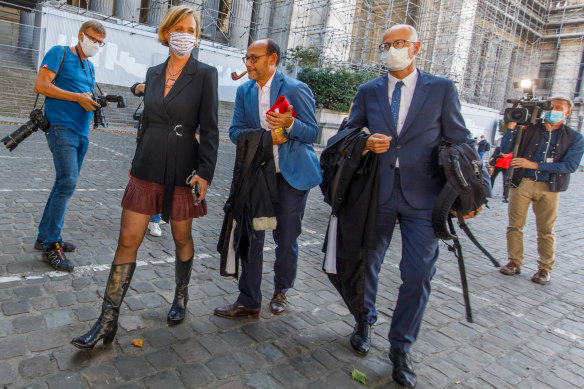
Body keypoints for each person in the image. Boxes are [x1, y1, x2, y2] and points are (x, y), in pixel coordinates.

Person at [71, 5, 219, 350]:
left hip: (184, 166)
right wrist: (135, 162)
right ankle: (107, 320)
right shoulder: (152, 73)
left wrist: (206, 173)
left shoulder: (206, 74)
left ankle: (180, 296)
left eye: (192, 30)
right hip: (148, 163)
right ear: (167, 32)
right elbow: (147, 123)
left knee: (182, 237)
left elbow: (210, 129)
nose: (186, 34)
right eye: (179, 28)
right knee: (127, 239)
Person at [337, 24, 473, 388]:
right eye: (386, 45)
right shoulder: (368, 91)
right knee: (365, 263)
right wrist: (365, 143)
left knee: (418, 275)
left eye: (399, 44)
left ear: (416, 48)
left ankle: (401, 346)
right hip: (376, 192)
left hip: (424, 197)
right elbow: (347, 133)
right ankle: (364, 319)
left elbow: (459, 139)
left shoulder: (441, 89)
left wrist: (470, 193)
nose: (392, 50)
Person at [214, 38, 321, 318]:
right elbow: (235, 131)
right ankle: (249, 299)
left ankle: (281, 291)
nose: (248, 63)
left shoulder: (297, 89)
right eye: (246, 58)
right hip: (258, 176)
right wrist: (265, 138)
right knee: (254, 234)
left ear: (272, 59)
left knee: (285, 238)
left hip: (291, 177)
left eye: (254, 58)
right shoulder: (244, 91)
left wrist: (290, 125)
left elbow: (312, 133)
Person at [32, 20, 106, 271]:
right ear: (81, 35)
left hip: (81, 132)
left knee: (63, 183)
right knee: (67, 182)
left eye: (100, 42)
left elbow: (84, 95)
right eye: (93, 39)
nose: (96, 44)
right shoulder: (60, 52)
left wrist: (95, 102)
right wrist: (77, 97)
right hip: (61, 128)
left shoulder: (90, 66)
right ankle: (52, 246)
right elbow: (41, 85)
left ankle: (45, 236)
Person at [499, 96, 583, 285]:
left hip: (550, 187)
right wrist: (511, 127)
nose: (554, 109)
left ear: (567, 112)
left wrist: (534, 164)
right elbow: (505, 149)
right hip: (523, 182)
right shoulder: (528, 129)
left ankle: (545, 268)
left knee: (546, 230)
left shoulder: (574, 137)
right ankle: (514, 261)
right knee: (515, 225)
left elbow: (569, 166)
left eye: (559, 107)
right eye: (551, 106)